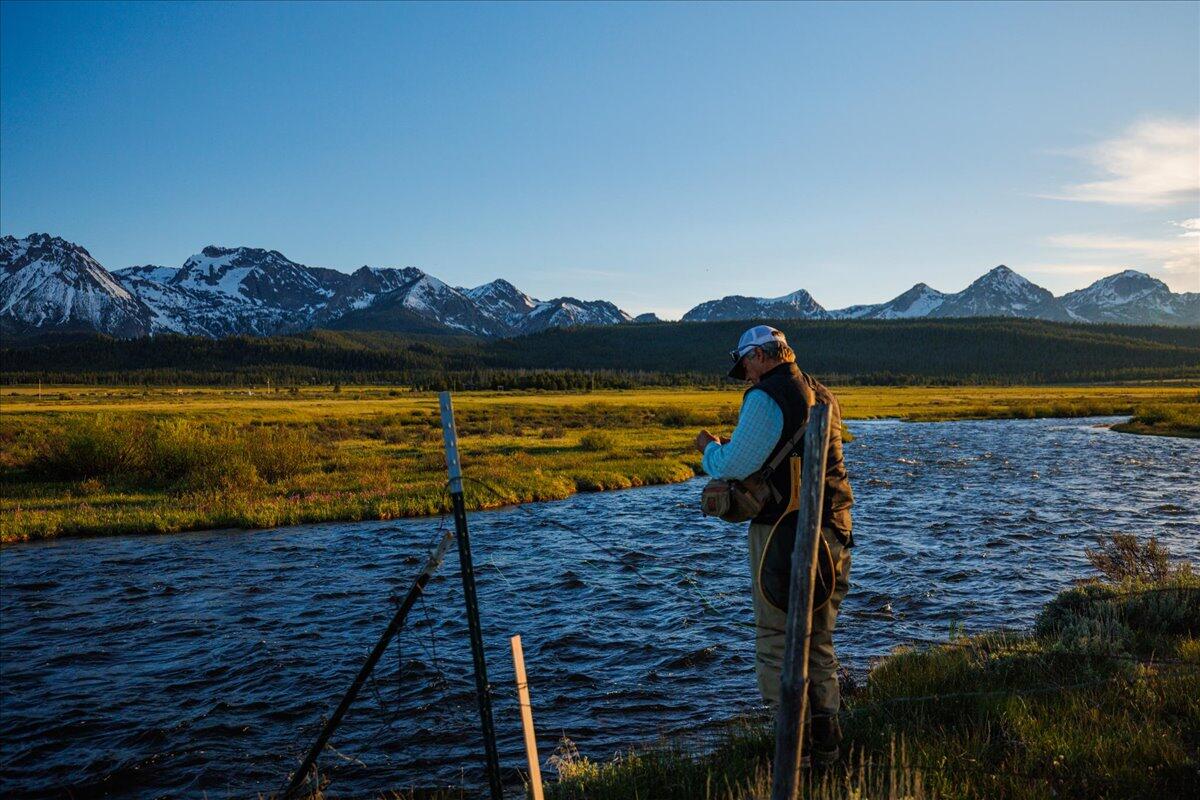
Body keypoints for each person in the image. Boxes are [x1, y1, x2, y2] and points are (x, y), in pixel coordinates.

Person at [694, 324, 854, 765]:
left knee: (775, 639)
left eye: (746, 365)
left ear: (762, 356)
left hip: (784, 535)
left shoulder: (766, 397)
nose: (746, 375)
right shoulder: (823, 395)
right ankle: (827, 749)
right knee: (819, 641)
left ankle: (792, 754)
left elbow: (734, 464)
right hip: (836, 530)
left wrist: (708, 449)